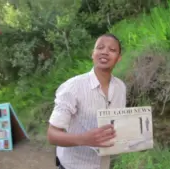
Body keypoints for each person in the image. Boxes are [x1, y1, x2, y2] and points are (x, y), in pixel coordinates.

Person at [47, 33, 127, 169]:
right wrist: (84, 139)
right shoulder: (73, 87)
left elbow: (118, 126)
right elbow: (52, 135)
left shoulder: (121, 87)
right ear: (93, 54)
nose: (105, 52)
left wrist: (137, 141)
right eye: (100, 48)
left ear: (119, 58)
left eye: (112, 50)